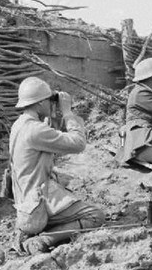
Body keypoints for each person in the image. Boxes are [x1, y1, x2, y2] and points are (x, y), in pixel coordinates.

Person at [9, 76, 105, 254]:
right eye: (48, 100)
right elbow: (78, 143)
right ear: (38, 104)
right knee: (95, 215)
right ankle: (43, 239)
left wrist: (51, 115)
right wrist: (67, 112)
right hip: (37, 206)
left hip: (26, 201)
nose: (52, 103)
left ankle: (35, 234)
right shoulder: (35, 130)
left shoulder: (20, 125)